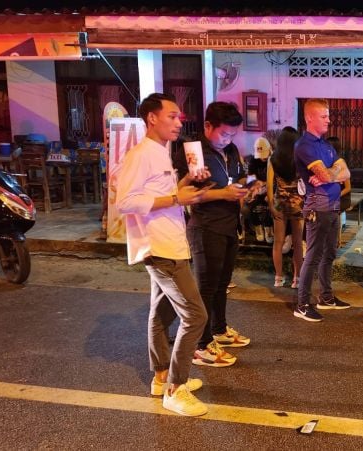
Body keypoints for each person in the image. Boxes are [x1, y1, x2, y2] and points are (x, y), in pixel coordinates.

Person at [115, 92, 211, 417]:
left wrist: (187, 183)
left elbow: (165, 193)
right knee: (196, 316)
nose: (179, 122)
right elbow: (125, 201)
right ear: (152, 118)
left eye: (179, 117)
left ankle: (160, 377)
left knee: (161, 314)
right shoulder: (141, 154)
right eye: (172, 116)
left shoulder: (161, 151)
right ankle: (175, 389)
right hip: (160, 248)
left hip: (171, 242)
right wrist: (175, 199)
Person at [173, 101, 255, 369]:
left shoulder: (230, 150)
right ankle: (201, 343)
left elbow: (237, 178)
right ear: (208, 126)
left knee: (222, 283)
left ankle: (219, 329)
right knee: (206, 287)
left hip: (230, 224)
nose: (228, 139)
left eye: (233, 134)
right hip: (206, 226)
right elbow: (186, 195)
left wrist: (247, 186)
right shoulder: (194, 152)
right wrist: (224, 193)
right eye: (224, 133)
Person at [293, 99, 352, 322]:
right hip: (318, 206)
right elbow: (329, 174)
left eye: (328, 116)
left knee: (330, 253)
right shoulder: (304, 145)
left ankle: (326, 297)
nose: (329, 120)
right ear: (310, 118)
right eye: (324, 116)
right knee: (314, 255)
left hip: (333, 206)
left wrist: (331, 173)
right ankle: (302, 304)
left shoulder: (326, 145)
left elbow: (345, 172)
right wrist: (333, 173)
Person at [267, 126, 304, 289]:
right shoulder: (300, 159)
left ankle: (278, 277)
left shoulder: (273, 159)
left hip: (279, 204)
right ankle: (297, 279)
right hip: (297, 204)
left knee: (278, 242)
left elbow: (269, 185)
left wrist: (271, 205)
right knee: (297, 242)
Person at [247, 137, 274, 243]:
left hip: (272, 188)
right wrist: (252, 189)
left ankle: (268, 227)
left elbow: (277, 179)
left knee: (271, 203)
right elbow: (250, 179)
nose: (262, 158)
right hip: (259, 190)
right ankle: (257, 226)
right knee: (250, 204)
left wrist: (266, 186)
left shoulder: (274, 159)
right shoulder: (253, 160)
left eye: (264, 155)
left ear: (269, 150)